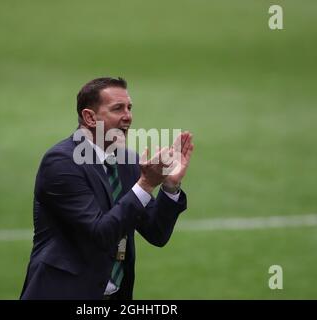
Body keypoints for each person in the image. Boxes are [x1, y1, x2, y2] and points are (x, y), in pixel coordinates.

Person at [20, 77, 194, 299]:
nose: (128, 116)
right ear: (90, 117)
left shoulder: (127, 161)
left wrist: (170, 186)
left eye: (129, 108)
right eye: (117, 108)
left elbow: (156, 233)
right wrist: (147, 183)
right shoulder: (62, 163)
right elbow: (100, 233)